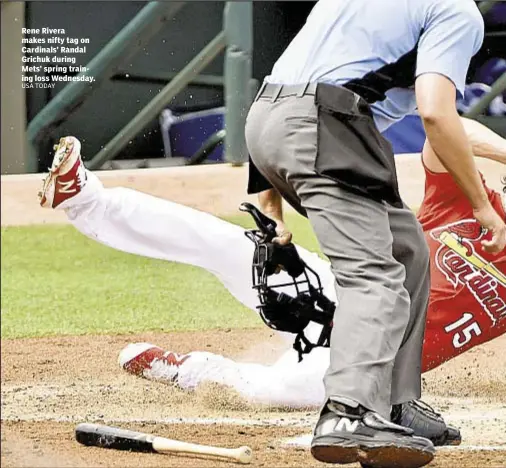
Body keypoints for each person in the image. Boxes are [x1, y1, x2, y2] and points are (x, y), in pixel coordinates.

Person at [39, 122, 505, 447]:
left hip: (368, 362)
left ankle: (189, 370)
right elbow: (445, 131)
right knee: (226, 244)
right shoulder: (474, 202)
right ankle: (84, 196)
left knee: (278, 391)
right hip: (344, 288)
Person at [244, 0, 506, 465]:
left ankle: (394, 404)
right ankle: (351, 410)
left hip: (267, 122)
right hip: (329, 128)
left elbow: (286, 84)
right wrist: (484, 207)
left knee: (408, 248)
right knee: (375, 275)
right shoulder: (457, 11)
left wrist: (271, 208)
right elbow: (436, 115)